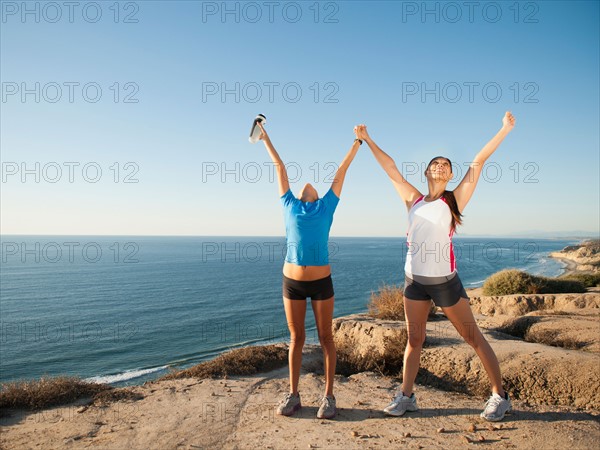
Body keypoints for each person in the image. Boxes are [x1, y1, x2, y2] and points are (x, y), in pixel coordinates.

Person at [356, 111, 516, 422]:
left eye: (446, 165)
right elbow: (391, 170)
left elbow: (478, 162)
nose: (441, 166)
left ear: (450, 176)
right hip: (413, 281)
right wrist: (368, 139)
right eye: (436, 163)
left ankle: (500, 395)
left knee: (473, 337)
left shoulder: (453, 201)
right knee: (414, 340)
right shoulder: (413, 200)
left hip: (445, 283)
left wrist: (504, 130)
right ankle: (406, 396)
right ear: (427, 171)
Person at [257, 121, 362, 419]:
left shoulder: (326, 206)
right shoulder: (288, 203)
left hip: (321, 283)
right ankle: (293, 396)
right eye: (304, 187)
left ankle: (329, 397)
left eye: (313, 186)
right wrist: (266, 138)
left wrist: (356, 144)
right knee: (297, 338)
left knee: (326, 338)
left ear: (317, 195)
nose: (307, 184)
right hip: (291, 281)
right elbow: (280, 167)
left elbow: (341, 172)